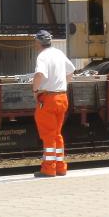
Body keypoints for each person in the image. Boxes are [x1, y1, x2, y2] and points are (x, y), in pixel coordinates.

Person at [31, 30, 76, 177]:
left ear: (38, 42)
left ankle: (49, 168)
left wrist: (35, 90)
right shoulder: (58, 53)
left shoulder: (42, 57)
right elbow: (71, 70)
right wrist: (63, 84)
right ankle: (60, 167)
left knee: (48, 135)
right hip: (62, 97)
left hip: (48, 99)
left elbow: (39, 74)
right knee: (57, 134)